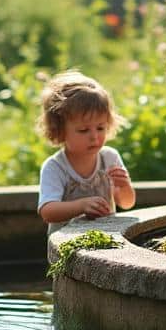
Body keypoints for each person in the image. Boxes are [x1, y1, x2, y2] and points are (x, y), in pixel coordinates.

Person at [35, 70, 136, 235]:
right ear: (59, 130)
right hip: (67, 247)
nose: (94, 137)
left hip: (105, 239)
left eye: (100, 128)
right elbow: (48, 211)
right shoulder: (55, 167)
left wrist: (124, 186)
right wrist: (81, 206)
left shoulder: (110, 157)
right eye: (83, 130)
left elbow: (126, 203)